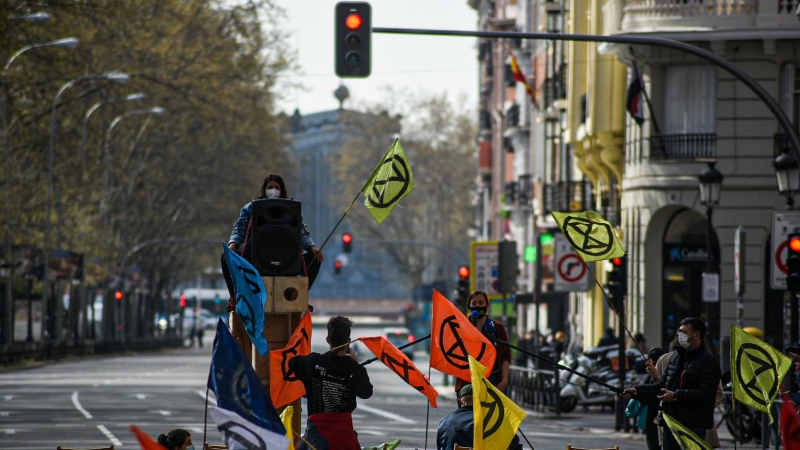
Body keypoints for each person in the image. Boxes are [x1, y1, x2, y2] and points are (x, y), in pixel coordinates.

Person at [623, 317, 721, 450]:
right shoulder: (675, 358)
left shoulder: (708, 362)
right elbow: (662, 385)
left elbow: (706, 394)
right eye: (679, 331)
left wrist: (675, 396)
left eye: (684, 332)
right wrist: (637, 391)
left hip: (693, 426)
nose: (679, 335)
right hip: (670, 423)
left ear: (696, 335)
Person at [290, 315, 373, 450]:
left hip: (316, 436)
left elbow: (292, 362)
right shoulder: (355, 369)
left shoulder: (313, 362)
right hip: (344, 438)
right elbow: (366, 393)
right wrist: (354, 365)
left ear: (328, 339)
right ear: (348, 341)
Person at [227, 173, 324, 288]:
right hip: (255, 257)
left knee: (316, 258)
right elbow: (240, 228)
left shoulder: (290, 209)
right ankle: (235, 296)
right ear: (264, 189)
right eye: (270, 187)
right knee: (226, 258)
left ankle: (300, 293)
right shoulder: (251, 208)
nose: (273, 190)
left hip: (287, 259)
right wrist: (232, 245)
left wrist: (312, 247)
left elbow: (301, 232)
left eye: (277, 188)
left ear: (282, 190)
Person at [454, 290, 511, 401]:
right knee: (469, 418)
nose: (477, 306)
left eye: (481, 303)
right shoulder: (461, 327)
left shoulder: (497, 328)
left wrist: (504, 381)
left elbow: (505, 356)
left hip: (493, 383)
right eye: (474, 304)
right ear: (469, 307)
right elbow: (455, 355)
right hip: (466, 386)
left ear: (487, 305)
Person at [436, 384, 521, 450]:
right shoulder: (491, 421)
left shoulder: (445, 420)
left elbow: (440, 445)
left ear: (461, 401)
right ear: (482, 401)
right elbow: (512, 443)